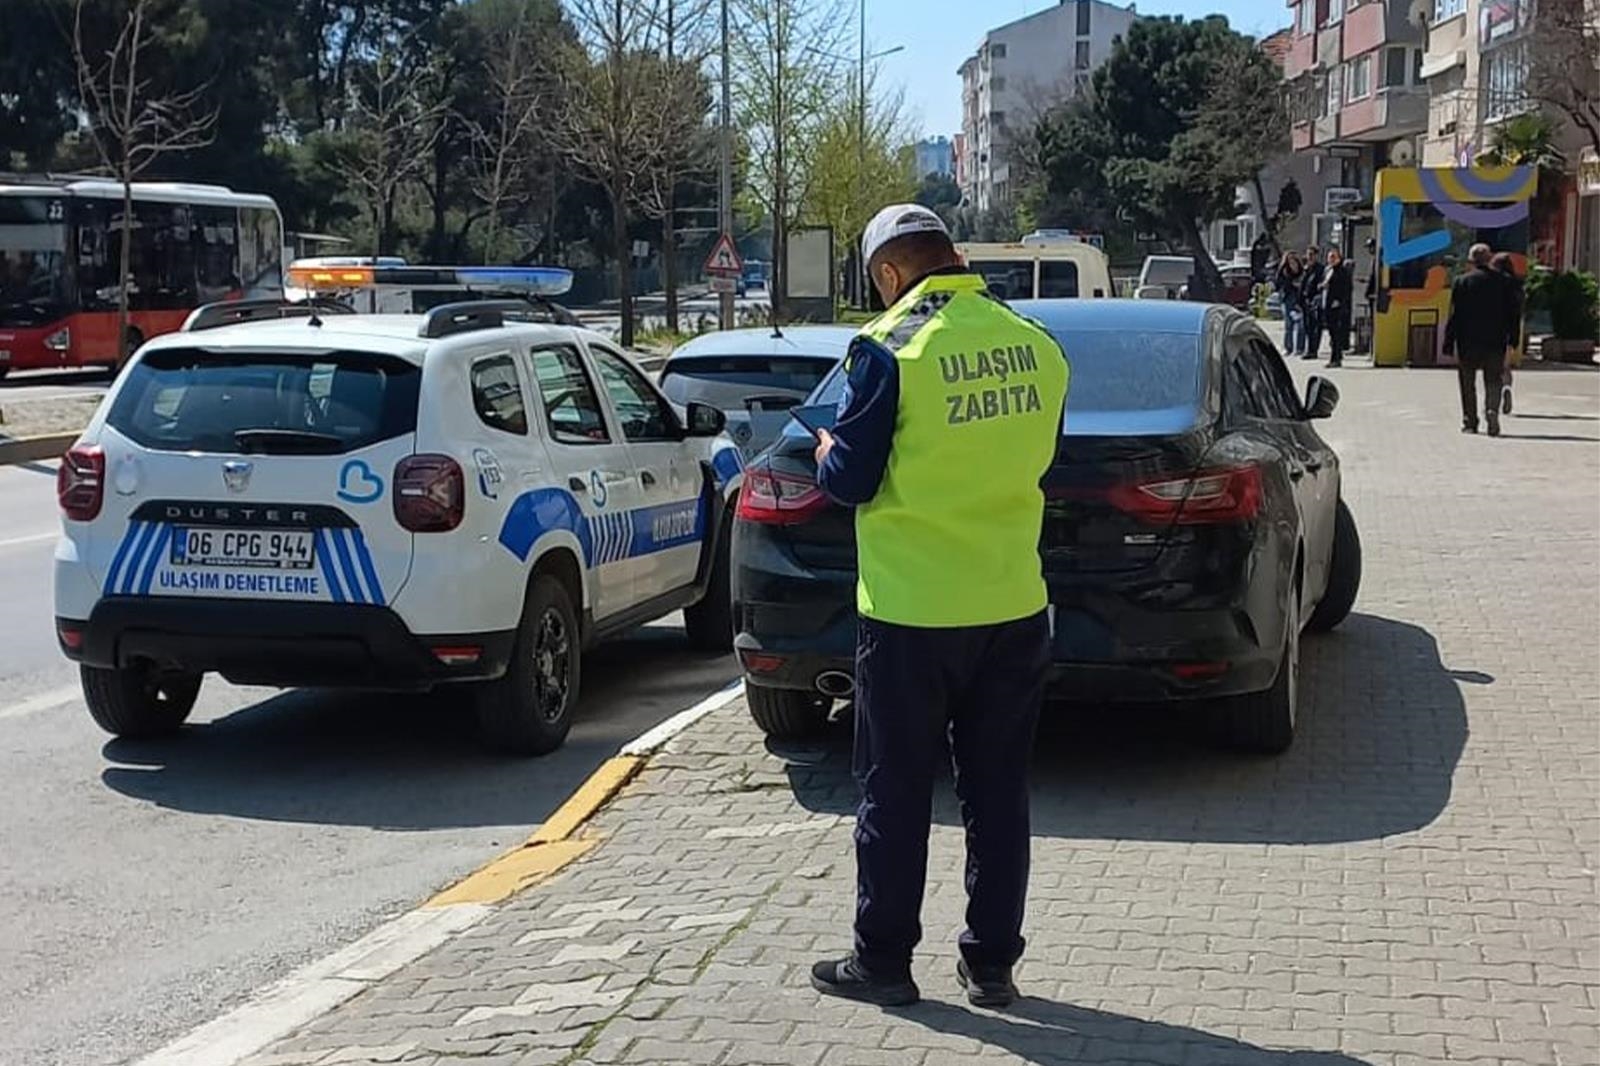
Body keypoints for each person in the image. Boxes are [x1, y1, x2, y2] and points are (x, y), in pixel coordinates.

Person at [808, 203, 1070, 1010]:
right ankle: (991, 964)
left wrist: (824, 447)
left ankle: (882, 963)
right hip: (1012, 602)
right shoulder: (1036, 344)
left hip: (911, 611)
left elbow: (851, 479)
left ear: (890, 272)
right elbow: (1040, 456)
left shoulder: (888, 349)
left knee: (895, 788)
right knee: (998, 791)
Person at [1443, 243, 1517, 436]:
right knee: (1493, 379)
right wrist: (1514, 339)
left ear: (1471, 261)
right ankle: (1492, 409)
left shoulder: (1462, 282)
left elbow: (1455, 315)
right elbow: (1513, 314)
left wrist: (1448, 342)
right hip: (1495, 341)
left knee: (1467, 382)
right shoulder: (1505, 281)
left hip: (1468, 342)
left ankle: (1470, 421)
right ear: (1490, 258)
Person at [1491, 251, 1522, 416]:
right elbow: (1517, 312)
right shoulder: (1516, 285)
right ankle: (1507, 388)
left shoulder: (1494, 283)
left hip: (1493, 330)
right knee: (1505, 366)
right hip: (1510, 331)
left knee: (1492, 367)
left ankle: (1495, 396)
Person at [1321, 247, 1354, 368]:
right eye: (1329, 257)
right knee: (1331, 334)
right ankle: (1335, 357)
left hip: (1337, 307)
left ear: (1339, 258)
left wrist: (1339, 301)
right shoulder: (1329, 270)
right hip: (1328, 305)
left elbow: (1346, 289)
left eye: (1333, 257)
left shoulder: (1342, 272)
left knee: (1336, 334)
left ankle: (1336, 358)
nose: (1331, 259)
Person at [1275, 252, 1307, 356]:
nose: (1292, 262)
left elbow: (1304, 283)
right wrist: (1290, 283)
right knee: (1289, 324)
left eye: (1294, 259)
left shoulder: (1302, 271)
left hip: (1299, 299)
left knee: (1300, 323)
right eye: (1290, 260)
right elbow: (1278, 284)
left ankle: (1299, 348)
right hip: (1287, 298)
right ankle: (1288, 347)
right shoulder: (1283, 272)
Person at [1300, 246, 1325, 359]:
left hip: (1315, 301)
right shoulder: (1306, 269)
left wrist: (1317, 299)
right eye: (1308, 254)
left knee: (1315, 327)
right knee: (1307, 326)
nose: (1309, 257)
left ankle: (1313, 350)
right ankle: (1308, 349)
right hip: (1305, 300)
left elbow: (1320, 285)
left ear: (1316, 256)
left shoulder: (1320, 269)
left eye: (1312, 255)